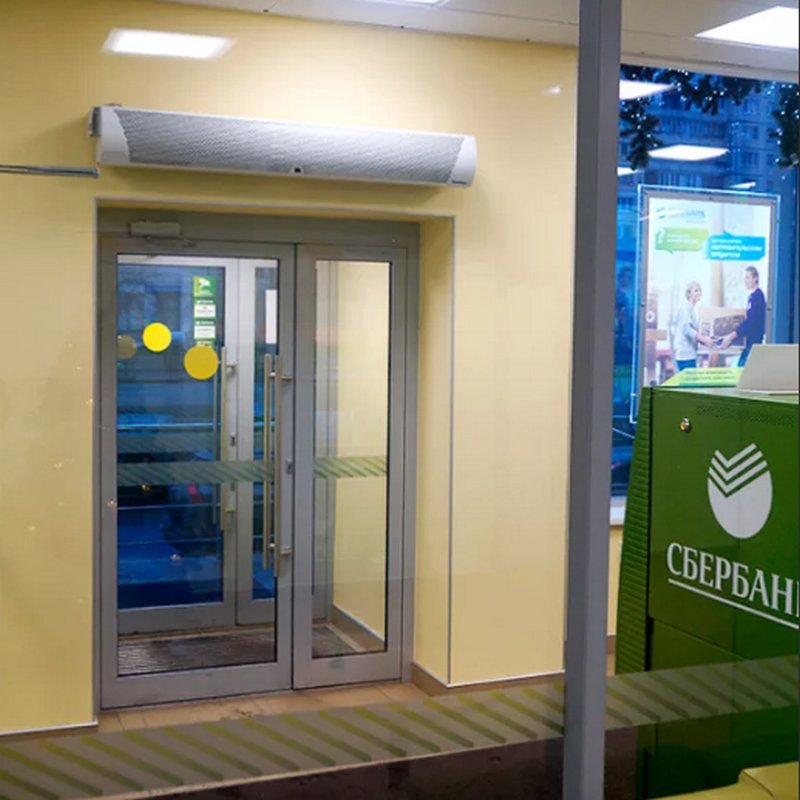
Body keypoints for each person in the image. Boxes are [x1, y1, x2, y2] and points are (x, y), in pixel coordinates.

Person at [720, 266, 767, 366]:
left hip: (753, 344)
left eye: (747, 277)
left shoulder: (757, 297)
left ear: (755, 278)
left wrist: (731, 336)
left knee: (742, 369)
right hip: (749, 343)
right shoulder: (752, 297)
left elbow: (751, 322)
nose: (745, 281)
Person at [674, 281, 716, 371]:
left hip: (690, 354)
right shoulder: (685, 307)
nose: (699, 293)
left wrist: (706, 340)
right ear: (689, 293)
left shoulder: (691, 309)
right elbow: (686, 329)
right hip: (685, 356)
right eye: (696, 291)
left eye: (700, 291)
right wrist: (703, 339)